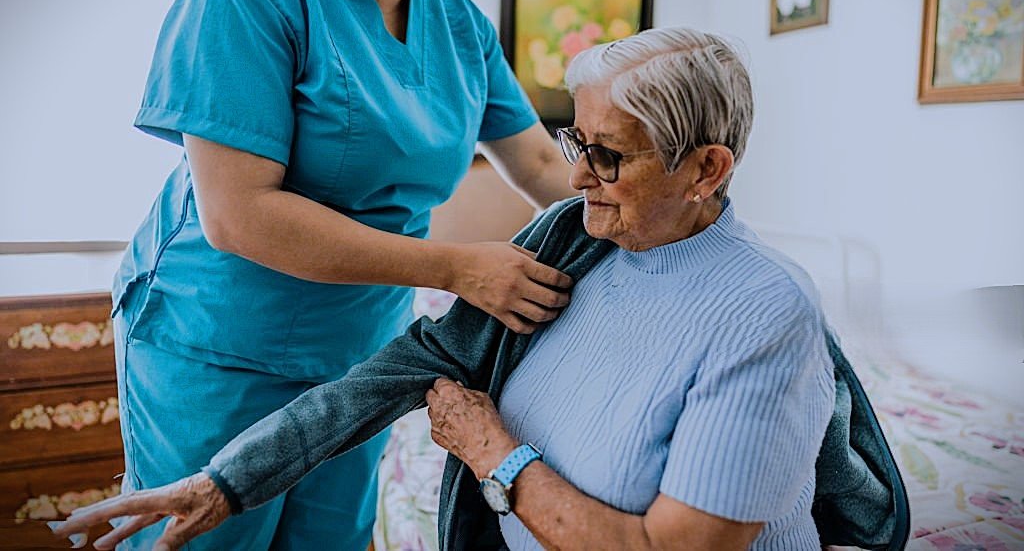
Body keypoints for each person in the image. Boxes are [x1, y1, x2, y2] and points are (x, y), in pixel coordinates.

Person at [54, 28, 908, 551]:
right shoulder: (575, 240)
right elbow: (400, 368)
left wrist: (491, 450)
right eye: (579, 141)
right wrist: (226, 481)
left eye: (610, 156)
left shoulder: (760, 311)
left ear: (708, 169)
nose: (577, 176)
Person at [103, 0, 578, 548]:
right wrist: (454, 268)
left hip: (360, 356)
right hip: (220, 338)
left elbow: (534, 163)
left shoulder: (461, 27)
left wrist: (650, 205)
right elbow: (239, 214)